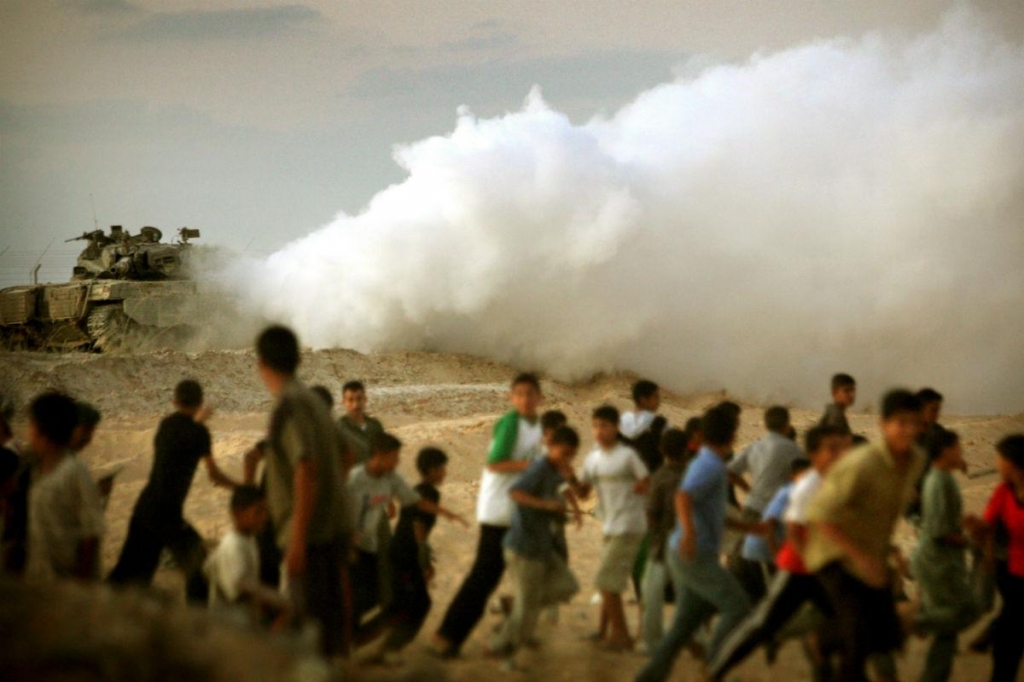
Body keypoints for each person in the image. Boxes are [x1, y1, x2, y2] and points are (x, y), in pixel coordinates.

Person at [707, 425, 849, 681]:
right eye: (832, 449)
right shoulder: (808, 486)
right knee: (761, 624)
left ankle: (822, 661)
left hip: (820, 569)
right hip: (797, 568)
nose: (840, 454)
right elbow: (793, 530)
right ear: (815, 454)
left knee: (849, 622)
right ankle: (715, 672)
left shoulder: (836, 483)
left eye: (843, 448)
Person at [804, 389, 927, 682]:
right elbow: (819, 514)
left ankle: (822, 641)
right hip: (831, 552)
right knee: (857, 639)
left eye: (915, 422)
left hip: (871, 553)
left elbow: (882, 513)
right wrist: (860, 559)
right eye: (901, 422)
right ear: (882, 425)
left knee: (887, 636)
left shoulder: (916, 460)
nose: (908, 430)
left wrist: (889, 552)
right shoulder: (861, 464)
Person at [635, 406, 751, 682]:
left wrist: (752, 528)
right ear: (733, 434)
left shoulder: (708, 463)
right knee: (738, 607)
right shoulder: (708, 464)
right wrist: (688, 533)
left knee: (682, 625)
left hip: (690, 552)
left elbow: (712, 512)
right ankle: (714, 665)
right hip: (693, 553)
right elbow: (683, 498)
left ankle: (649, 676)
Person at [431, 373, 544, 658]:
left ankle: (502, 632)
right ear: (512, 397)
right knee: (484, 575)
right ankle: (446, 636)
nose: (525, 399)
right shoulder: (511, 423)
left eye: (530, 393)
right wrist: (530, 466)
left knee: (500, 574)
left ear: (539, 397)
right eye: (520, 393)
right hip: (497, 510)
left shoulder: (535, 426)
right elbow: (495, 464)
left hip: (514, 511)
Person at [255, 325, 351, 656]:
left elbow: (305, 467)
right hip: (332, 526)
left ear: (261, 363)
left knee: (309, 628)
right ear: (298, 359)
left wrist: (296, 538)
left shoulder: (288, 406)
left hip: (309, 536)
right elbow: (347, 453)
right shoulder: (313, 400)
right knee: (328, 623)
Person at [109, 380, 237, 601]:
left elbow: (178, 442)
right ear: (200, 402)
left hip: (145, 507)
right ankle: (195, 622)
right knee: (200, 569)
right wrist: (241, 487)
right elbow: (214, 476)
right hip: (167, 515)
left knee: (130, 574)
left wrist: (196, 423)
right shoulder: (199, 434)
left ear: (175, 401)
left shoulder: (166, 425)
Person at [347, 432, 465, 638]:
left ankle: (360, 642)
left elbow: (413, 501)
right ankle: (359, 642)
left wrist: (448, 514)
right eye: (393, 457)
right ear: (379, 454)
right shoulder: (356, 477)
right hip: (356, 547)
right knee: (375, 600)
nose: (397, 462)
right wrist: (424, 557)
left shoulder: (392, 478)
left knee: (378, 598)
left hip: (373, 547)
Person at [489, 425, 582, 666]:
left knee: (567, 585)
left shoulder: (555, 470)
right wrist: (546, 506)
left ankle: (517, 610)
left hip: (542, 546)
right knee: (527, 610)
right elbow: (516, 493)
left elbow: (578, 492)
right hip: (524, 546)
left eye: (571, 454)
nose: (567, 458)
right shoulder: (540, 467)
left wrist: (569, 480)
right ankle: (505, 652)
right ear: (551, 447)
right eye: (564, 453)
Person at [910, 429, 993, 682]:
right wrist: (968, 539)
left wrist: (964, 524)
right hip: (936, 561)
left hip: (945, 560)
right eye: (957, 448)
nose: (961, 453)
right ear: (944, 451)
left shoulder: (944, 479)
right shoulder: (937, 481)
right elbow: (936, 530)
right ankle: (911, 623)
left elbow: (944, 519)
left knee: (949, 630)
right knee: (966, 610)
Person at [372, 447, 453, 664]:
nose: (445, 472)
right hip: (404, 558)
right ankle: (385, 649)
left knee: (406, 605)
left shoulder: (420, 490)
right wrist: (424, 561)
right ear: (432, 470)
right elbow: (418, 527)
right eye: (442, 468)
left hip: (402, 554)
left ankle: (380, 648)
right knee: (415, 605)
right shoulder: (428, 493)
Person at [579, 404, 650, 651]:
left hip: (630, 524)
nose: (599, 431)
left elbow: (646, 482)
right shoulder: (592, 459)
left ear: (616, 428)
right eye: (596, 425)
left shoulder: (627, 456)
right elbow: (583, 491)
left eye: (605, 426)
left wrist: (633, 494)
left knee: (605, 580)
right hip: (610, 526)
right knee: (611, 581)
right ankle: (612, 633)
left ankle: (621, 635)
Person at [24, 392, 106, 582]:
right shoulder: (37, 468)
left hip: (64, 585)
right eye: (85, 430)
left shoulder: (74, 471)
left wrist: (78, 586)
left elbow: (90, 534)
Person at [727, 405, 805, 600]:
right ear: (787, 425)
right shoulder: (793, 450)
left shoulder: (755, 446)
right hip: (774, 512)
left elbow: (729, 471)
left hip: (752, 507)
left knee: (740, 558)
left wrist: (747, 489)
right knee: (773, 560)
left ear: (765, 424)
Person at [641, 428, 691, 654]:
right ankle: (693, 639)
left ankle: (652, 642)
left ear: (662, 450)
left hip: (663, 543)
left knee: (652, 595)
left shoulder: (660, 477)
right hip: (688, 540)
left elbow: (651, 514)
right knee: (687, 594)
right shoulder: (692, 474)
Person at [980, 434, 1024, 682]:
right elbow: (986, 524)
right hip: (1012, 576)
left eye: (999, 459)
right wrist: (977, 532)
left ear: (1013, 463)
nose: (996, 464)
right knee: (1007, 647)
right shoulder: (1003, 492)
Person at [204, 485, 268, 614]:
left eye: (265, 511)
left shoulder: (249, 539)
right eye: (258, 512)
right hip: (230, 623)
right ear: (238, 513)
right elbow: (240, 585)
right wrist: (276, 599)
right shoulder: (234, 545)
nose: (264, 517)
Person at [621, 380, 669, 474]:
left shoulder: (622, 421)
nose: (659, 401)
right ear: (643, 400)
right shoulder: (659, 423)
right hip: (651, 479)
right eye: (655, 397)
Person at [337, 381, 385, 466]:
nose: (355, 405)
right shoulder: (339, 428)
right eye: (350, 400)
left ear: (365, 399)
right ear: (344, 402)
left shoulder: (375, 426)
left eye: (359, 399)